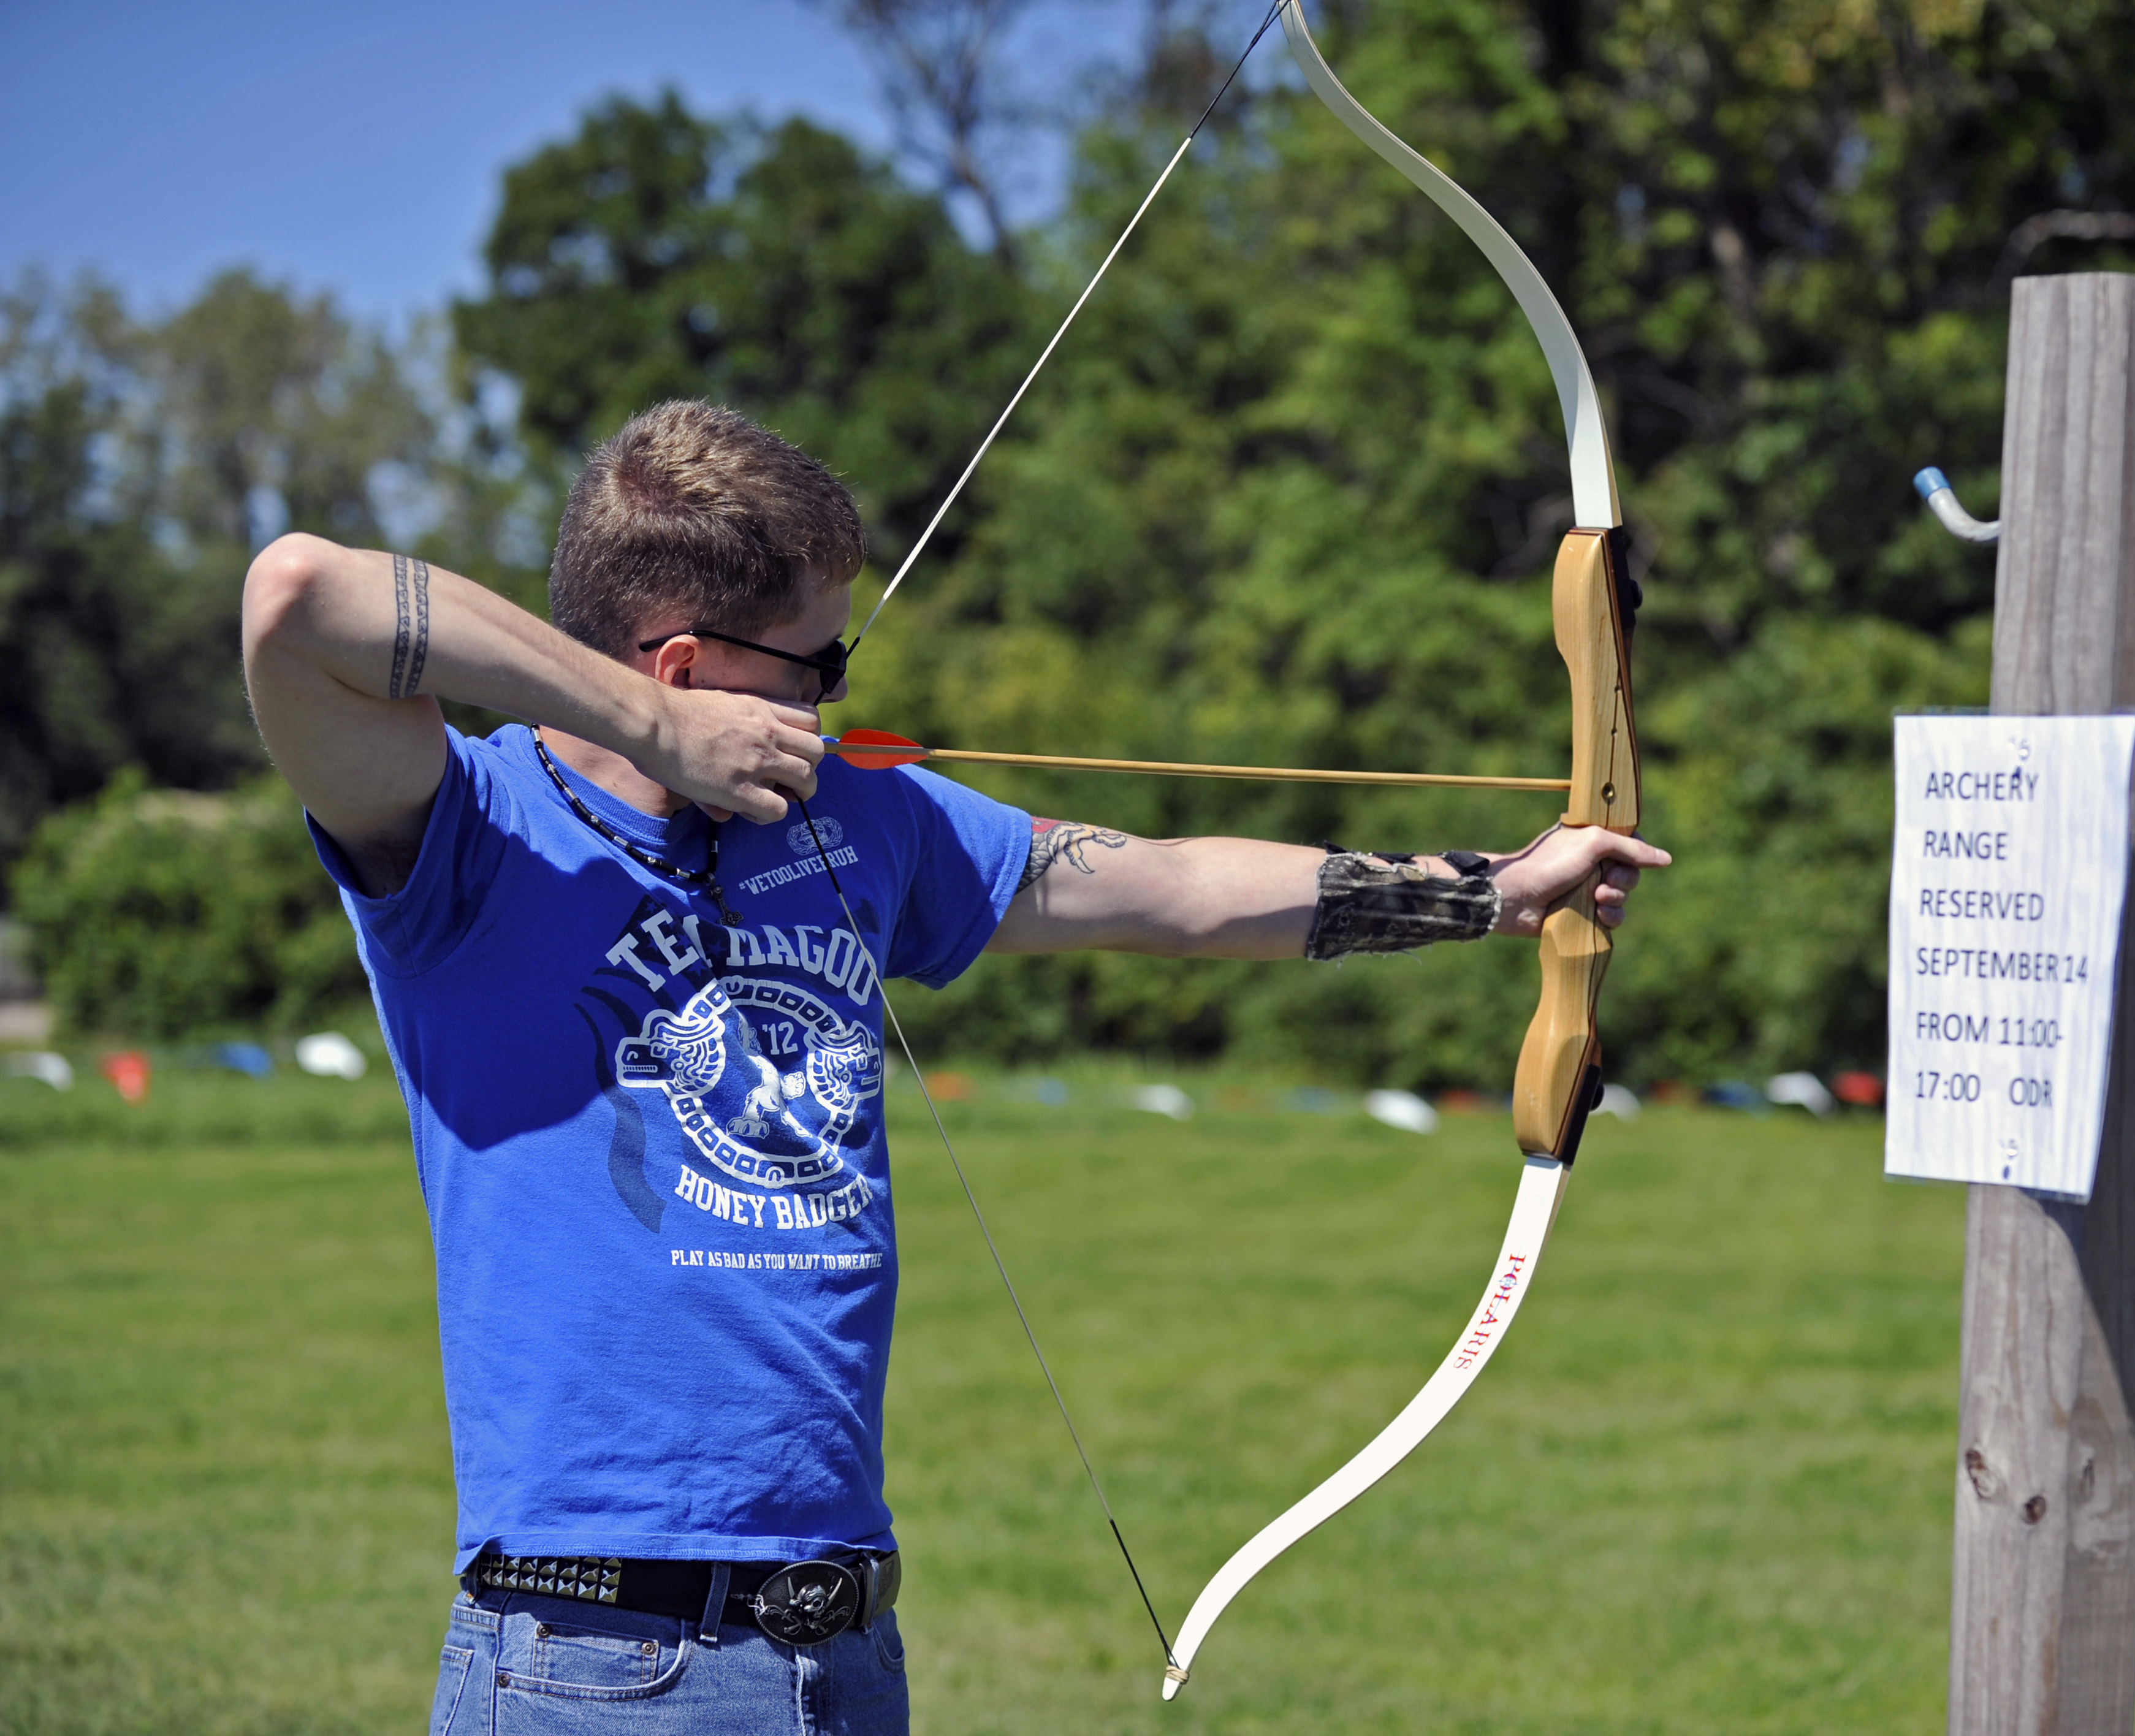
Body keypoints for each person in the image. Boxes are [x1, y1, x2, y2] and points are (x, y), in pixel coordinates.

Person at [240, 400, 1666, 1735]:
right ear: (682, 664)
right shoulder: (460, 835)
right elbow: (299, 598)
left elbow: (1168, 889)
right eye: (818, 663)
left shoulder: (862, 819)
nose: (837, 690)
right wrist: (656, 734)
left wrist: (1489, 890)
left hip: (843, 1641)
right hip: (594, 1664)